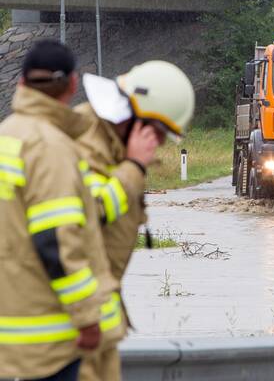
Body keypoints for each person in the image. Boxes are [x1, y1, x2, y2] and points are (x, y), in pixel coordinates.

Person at [0, 40, 124, 380]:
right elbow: (55, 241)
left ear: (21, 82)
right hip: (48, 344)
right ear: (72, 84)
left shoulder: (6, 136)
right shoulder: (50, 147)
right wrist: (87, 318)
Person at [74, 60, 195, 381]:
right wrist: (133, 168)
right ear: (136, 118)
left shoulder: (110, 141)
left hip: (97, 322)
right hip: (77, 326)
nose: (156, 144)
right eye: (155, 132)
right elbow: (88, 213)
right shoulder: (86, 140)